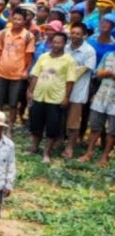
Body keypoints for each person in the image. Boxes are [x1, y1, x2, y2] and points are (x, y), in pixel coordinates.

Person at [26, 31, 77, 164]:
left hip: (55, 98)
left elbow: (70, 81)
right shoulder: (43, 57)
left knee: (52, 127)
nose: (56, 45)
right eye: (54, 42)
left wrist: (66, 97)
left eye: (59, 42)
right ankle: (34, 146)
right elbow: (35, 75)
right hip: (39, 96)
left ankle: (46, 152)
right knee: (36, 124)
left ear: (64, 44)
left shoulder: (69, 60)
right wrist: (30, 91)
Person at [0, 9, 33, 133]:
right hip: (1, 72)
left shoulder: (28, 36)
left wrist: (25, 71)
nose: (17, 21)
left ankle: (9, 127)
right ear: (11, 19)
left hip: (17, 75)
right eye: (15, 18)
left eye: (20, 19)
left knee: (13, 103)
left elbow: (29, 56)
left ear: (24, 21)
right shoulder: (3, 33)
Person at [79, 31, 115, 165]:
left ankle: (105, 157)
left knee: (112, 131)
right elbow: (97, 72)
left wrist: (112, 75)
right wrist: (103, 73)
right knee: (95, 126)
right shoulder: (108, 55)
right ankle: (89, 153)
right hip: (101, 96)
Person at [63, 22, 96, 159]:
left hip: (77, 92)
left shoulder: (89, 51)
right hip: (61, 89)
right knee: (60, 118)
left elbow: (82, 70)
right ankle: (59, 141)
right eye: (73, 33)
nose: (74, 36)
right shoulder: (65, 47)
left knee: (73, 122)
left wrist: (66, 72)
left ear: (84, 35)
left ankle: (70, 146)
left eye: (78, 34)